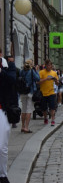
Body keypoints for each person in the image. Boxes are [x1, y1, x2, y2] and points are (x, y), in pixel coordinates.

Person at [0, 52, 12, 183]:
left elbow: (11, 82)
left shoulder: (4, 69)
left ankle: (2, 175)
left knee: (2, 146)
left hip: (0, 110)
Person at [19, 59, 40, 133]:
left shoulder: (21, 71)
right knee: (29, 109)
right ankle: (26, 128)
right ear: (31, 64)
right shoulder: (31, 71)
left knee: (23, 109)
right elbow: (38, 78)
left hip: (22, 92)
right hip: (29, 92)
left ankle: (22, 126)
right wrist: (36, 70)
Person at [38, 59, 59, 126]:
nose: (48, 66)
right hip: (43, 92)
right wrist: (46, 79)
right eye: (47, 65)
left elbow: (57, 83)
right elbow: (38, 82)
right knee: (44, 108)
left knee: (52, 107)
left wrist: (56, 81)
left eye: (50, 65)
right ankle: (45, 118)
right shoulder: (41, 72)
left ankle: (53, 119)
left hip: (51, 92)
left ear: (51, 66)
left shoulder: (54, 73)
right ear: (45, 65)